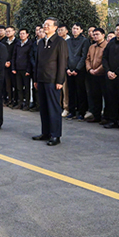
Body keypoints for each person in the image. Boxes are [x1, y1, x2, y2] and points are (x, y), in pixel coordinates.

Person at [32, 18, 68, 146]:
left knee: (53, 108)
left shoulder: (60, 42)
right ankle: (45, 132)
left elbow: (62, 63)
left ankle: (55, 135)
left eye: (48, 25)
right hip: (41, 79)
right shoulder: (41, 42)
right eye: (44, 25)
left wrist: (59, 80)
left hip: (52, 80)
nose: (45, 27)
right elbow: (37, 62)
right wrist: (35, 79)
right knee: (44, 108)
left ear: (55, 27)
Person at [65, 23, 89, 120]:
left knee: (80, 92)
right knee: (71, 92)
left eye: (77, 28)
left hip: (80, 70)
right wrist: (67, 68)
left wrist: (77, 69)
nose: (75, 30)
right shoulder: (68, 41)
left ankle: (81, 112)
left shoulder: (84, 41)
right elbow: (65, 55)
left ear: (81, 30)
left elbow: (84, 56)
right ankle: (71, 111)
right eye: (73, 28)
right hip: (69, 69)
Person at [85, 28, 107, 124]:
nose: (95, 36)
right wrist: (90, 69)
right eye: (94, 35)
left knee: (106, 96)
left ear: (103, 35)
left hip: (102, 74)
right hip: (92, 74)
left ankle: (106, 117)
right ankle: (96, 115)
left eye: (97, 34)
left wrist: (98, 70)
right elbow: (87, 59)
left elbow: (106, 61)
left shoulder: (107, 46)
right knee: (95, 95)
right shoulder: (92, 47)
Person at [11, 28, 33, 110]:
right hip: (17, 68)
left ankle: (26, 104)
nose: (22, 35)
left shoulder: (30, 44)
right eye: (20, 34)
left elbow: (30, 58)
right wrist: (13, 67)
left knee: (26, 88)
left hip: (25, 69)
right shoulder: (17, 44)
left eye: (23, 33)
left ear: (27, 35)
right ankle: (20, 103)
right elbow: (14, 56)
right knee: (19, 87)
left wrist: (28, 70)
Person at [2, 26, 18, 106]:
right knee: (6, 84)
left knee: (14, 84)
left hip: (14, 66)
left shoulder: (17, 42)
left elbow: (16, 55)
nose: (8, 33)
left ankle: (15, 100)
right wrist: (5, 62)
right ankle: (7, 99)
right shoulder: (4, 42)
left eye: (9, 31)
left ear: (14, 31)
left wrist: (11, 62)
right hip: (5, 66)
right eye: (6, 31)